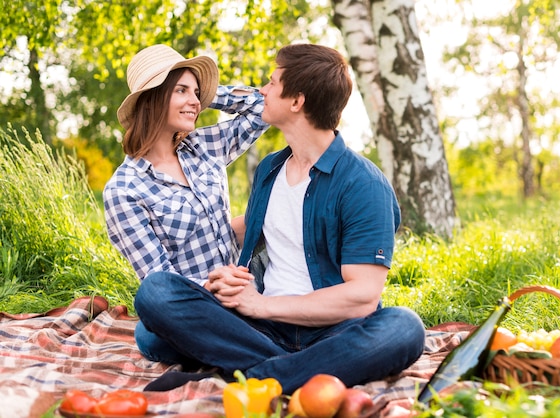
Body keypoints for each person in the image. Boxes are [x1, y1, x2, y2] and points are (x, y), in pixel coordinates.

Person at [135, 43, 426, 394]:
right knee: (154, 302)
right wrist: (231, 280)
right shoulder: (270, 169)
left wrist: (262, 304)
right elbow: (259, 237)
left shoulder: (362, 184)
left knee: (404, 328)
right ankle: (297, 370)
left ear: (297, 101)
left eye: (272, 83)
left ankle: (250, 378)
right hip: (260, 326)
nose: (262, 91)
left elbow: (362, 297)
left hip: (333, 329)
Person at [103, 44, 268, 368]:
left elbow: (260, 107)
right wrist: (213, 284)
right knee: (151, 325)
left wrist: (205, 94)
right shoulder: (123, 190)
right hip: (199, 306)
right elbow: (160, 278)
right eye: (181, 90)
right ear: (153, 97)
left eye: (196, 92)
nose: (195, 101)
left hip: (247, 287)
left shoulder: (203, 147)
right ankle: (267, 349)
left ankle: (252, 348)